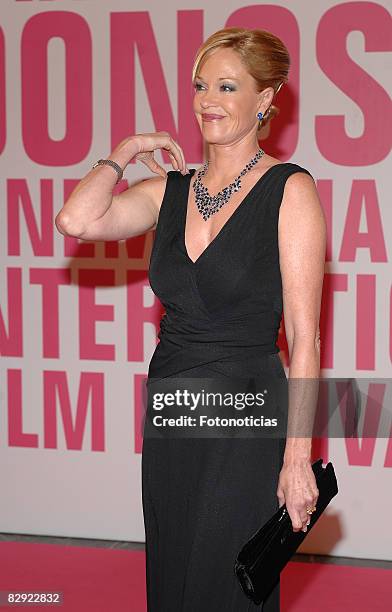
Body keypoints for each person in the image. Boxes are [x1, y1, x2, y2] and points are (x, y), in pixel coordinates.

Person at [55, 26, 326, 612]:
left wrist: (297, 458)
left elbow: (305, 338)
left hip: (246, 417)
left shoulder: (290, 191)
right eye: (201, 85)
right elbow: (76, 220)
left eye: (227, 86)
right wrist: (123, 152)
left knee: (225, 581)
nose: (207, 100)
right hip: (172, 412)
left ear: (266, 97)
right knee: (174, 573)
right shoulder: (167, 192)